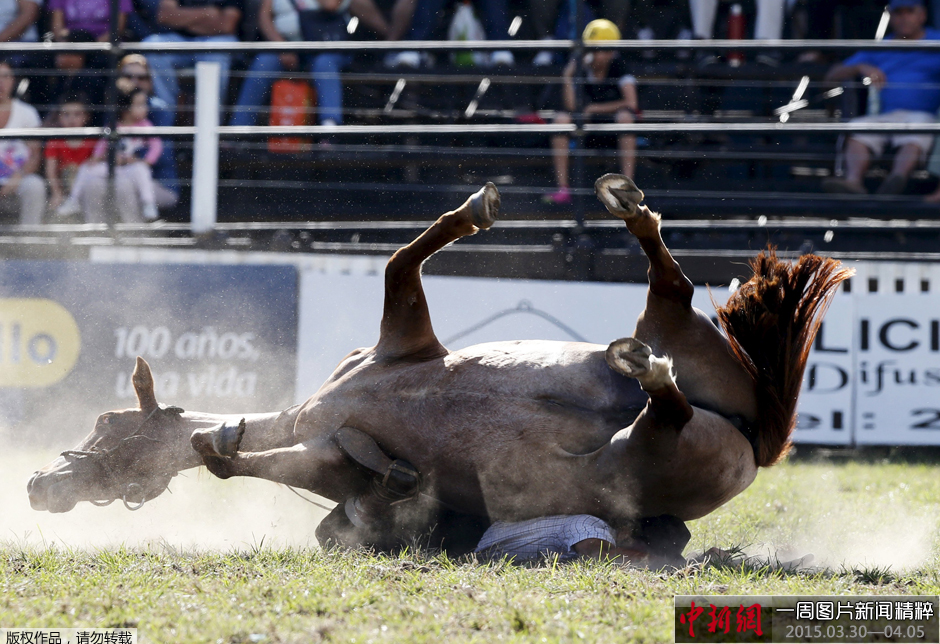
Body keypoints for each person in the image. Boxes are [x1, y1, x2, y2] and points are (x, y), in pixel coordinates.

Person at [822, 0, 940, 196]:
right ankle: (853, 182)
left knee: (918, 131)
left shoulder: (937, 42)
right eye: (898, 13)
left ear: (922, 15)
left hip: (924, 115)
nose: (904, 17)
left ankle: (896, 180)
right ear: (891, 17)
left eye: (909, 11)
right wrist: (860, 67)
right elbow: (831, 77)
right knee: (856, 128)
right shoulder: (880, 47)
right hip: (885, 115)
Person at [544, 18, 638, 205]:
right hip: (585, 130)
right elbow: (571, 107)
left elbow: (631, 102)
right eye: (593, 49)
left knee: (626, 118)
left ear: (612, 52)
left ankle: (627, 188)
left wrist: (595, 108)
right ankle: (563, 188)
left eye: (603, 49)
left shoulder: (619, 67)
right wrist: (568, 76)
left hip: (611, 128)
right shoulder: (580, 67)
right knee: (560, 119)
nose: (598, 54)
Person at [229, 0, 354, 129]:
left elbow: (330, 5)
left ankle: (329, 126)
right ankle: (240, 127)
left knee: (324, 63)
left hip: (325, 48)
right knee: (264, 62)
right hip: (287, 46)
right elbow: (264, 17)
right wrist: (282, 46)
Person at [57, 85, 163, 222]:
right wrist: (96, 158)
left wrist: (146, 161)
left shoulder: (145, 126)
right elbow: (102, 145)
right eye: (139, 105)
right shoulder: (113, 126)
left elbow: (156, 146)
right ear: (125, 108)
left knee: (142, 171)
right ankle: (74, 200)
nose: (145, 108)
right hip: (112, 167)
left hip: (131, 168)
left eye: (143, 104)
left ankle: (148, 203)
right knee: (86, 168)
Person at [139, 0, 243, 124]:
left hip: (216, 40)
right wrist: (207, 13)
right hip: (179, 40)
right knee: (151, 45)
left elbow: (225, 25)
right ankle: (165, 126)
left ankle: (209, 130)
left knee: (216, 50)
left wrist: (184, 19)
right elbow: (165, 16)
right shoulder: (207, 12)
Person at [474, 514, 691, 567]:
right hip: (488, 545)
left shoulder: (599, 531)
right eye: (645, 549)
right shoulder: (591, 525)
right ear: (628, 533)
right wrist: (678, 566)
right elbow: (599, 556)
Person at [117, 53, 179, 209]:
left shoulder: (159, 110)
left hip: (158, 182)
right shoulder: (113, 109)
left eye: (142, 77)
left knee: (124, 187)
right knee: (94, 185)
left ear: (151, 81)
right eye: (128, 76)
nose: (135, 82)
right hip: (120, 175)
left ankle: (133, 233)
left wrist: (128, 158)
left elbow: (162, 155)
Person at [0, 59, 46, 225]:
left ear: (13, 80)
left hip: (17, 181)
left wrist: (17, 177)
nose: (1, 82)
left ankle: (30, 241)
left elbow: (35, 156)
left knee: (35, 185)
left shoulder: (27, 113)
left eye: (5, 76)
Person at [44, 93, 97, 212]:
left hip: (87, 189)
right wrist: (57, 193)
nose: (71, 119)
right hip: (63, 188)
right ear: (59, 117)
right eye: (66, 114)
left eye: (77, 114)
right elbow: (50, 171)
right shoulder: (55, 140)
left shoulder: (93, 140)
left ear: (86, 117)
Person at [49, 0, 131, 41]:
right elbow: (57, 28)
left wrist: (94, 47)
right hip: (71, 41)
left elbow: (118, 27)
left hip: (104, 45)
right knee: (67, 58)